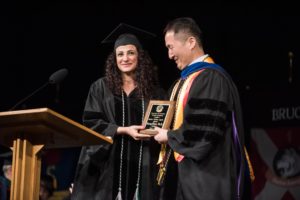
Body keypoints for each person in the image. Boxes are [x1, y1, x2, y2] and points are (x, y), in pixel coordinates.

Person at [153, 17, 250, 200]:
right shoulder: (185, 81)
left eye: (170, 47)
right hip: (188, 178)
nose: (169, 55)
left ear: (191, 42)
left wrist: (168, 135)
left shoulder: (211, 77)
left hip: (208, 179)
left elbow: (203, 132)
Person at [71, 23, 165, 200]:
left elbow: (161, 125)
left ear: (140, 56)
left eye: (131, 53)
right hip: (108, 167)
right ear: (114, 59)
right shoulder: (101, 88)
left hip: (143, 164)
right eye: (120, 54)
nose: (125, 58)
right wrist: (122, 130)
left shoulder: (155, 92)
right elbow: (91, 123)